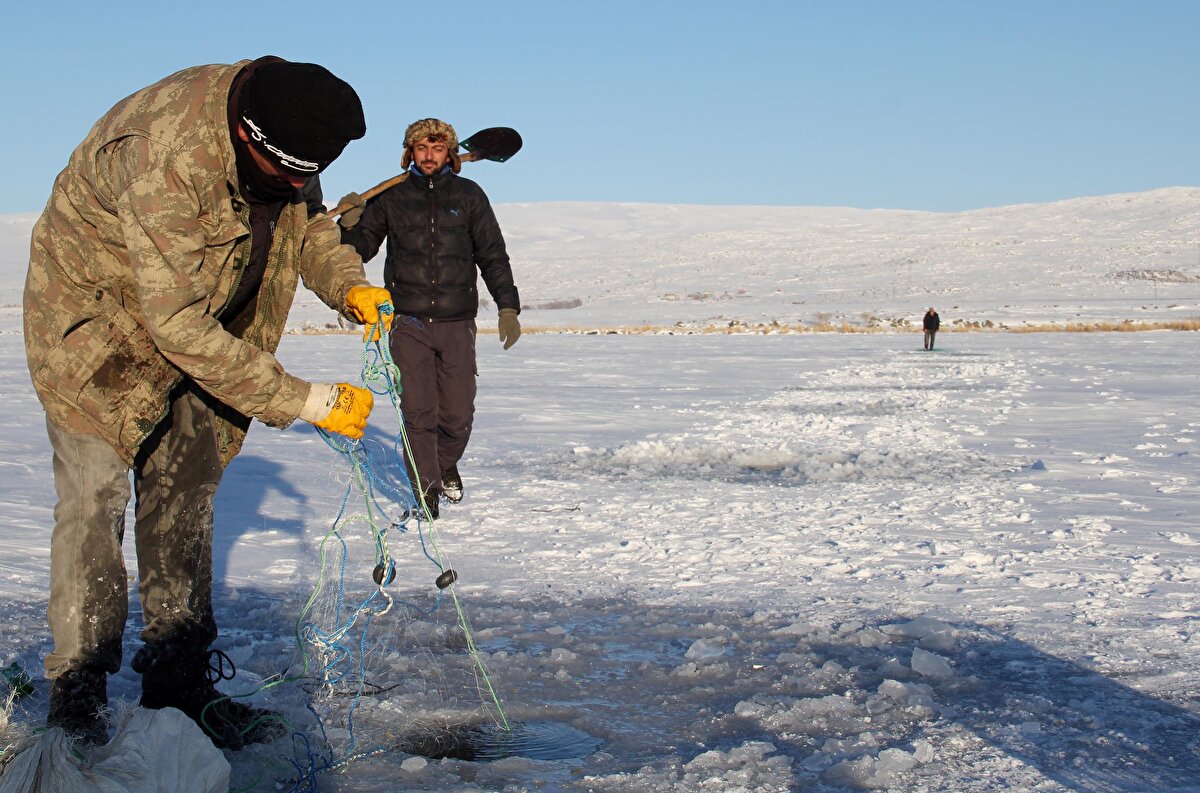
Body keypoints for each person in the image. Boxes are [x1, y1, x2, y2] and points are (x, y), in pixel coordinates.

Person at [23, 57, 395, 749]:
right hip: (95, 326)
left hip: (209, 324)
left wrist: (347, 285)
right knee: (93, 499)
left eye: (304, 174)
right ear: (249, 139)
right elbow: (176, 327)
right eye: (286, 173)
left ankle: (179, 682)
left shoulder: (285, 125)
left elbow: (310, 226)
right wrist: (305, 399)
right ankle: (77, 690)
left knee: (186, 487)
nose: (296, 185)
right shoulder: (163, 157)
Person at [336, 118, 521, 519]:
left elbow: (492, 255)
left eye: (437, 149)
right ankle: (427, 488)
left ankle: (445, 462)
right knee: (419, 411)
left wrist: (508, 306)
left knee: (458, 413)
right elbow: (358, 250)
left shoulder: (470, 195)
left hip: (457, 321)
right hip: (407, 321)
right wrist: (349, 223)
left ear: (449, 153)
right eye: (421, 149)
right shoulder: (392, 197)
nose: (429, 156)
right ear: (410, 153)